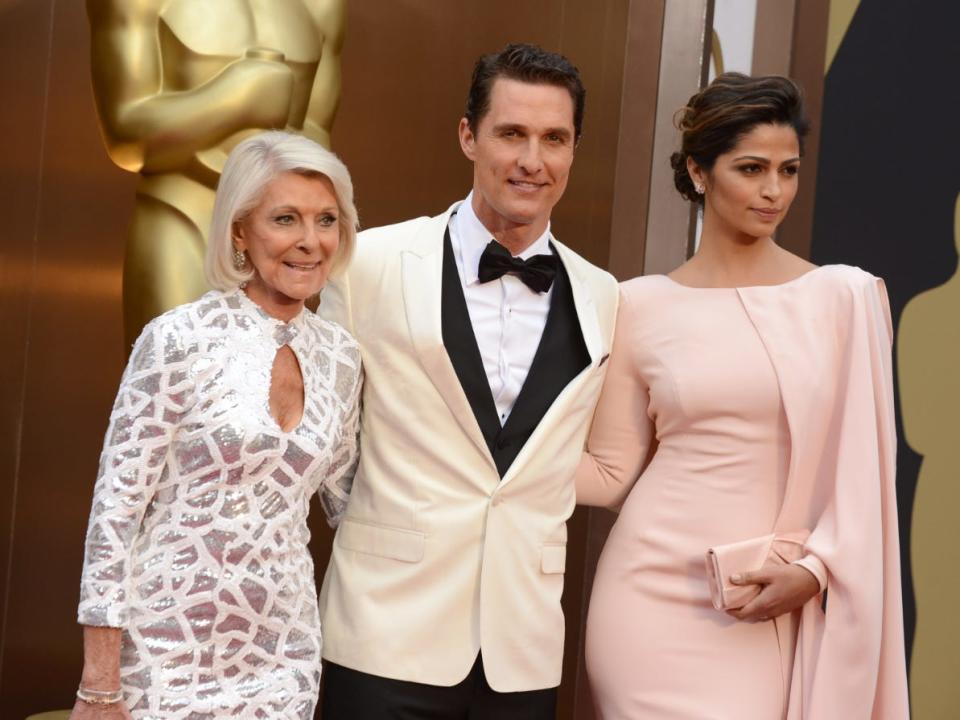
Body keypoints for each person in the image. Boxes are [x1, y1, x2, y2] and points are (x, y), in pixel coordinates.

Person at [576, 73, 909, 718]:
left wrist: (815, 572)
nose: (773, 191)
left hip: (769, 608)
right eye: (751, 168)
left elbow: (867, 477)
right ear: (699, 172)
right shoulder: (638, 303)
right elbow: (611, 474)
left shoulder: (844, 298)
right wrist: (477, 453)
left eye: (788, 170)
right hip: (647, 604)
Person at [316, 43, 619, 719]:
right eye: (511, 134)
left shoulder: (602, 295)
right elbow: (327, 445)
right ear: (467, 136)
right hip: (384, 632)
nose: (531, 161)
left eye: (554, 139)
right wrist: (382, 531)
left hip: (523, 647)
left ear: (574, 151)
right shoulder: (369, 262)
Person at [71, 131, 361, 720]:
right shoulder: (179, 338)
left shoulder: (343, 357)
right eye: (286, 219)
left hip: (284, 657)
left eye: (326, 220)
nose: (310, 242)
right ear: (239, 231)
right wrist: (99, 682)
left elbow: (349, 501)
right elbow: (115, 514)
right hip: (162, 651)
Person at [86, 0, 345, 347]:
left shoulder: (322, 6)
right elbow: (126, 133)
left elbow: (317, 141)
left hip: (280, 228)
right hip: (183, 214)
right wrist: (233, 98)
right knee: (176, 372)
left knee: (278, 381)